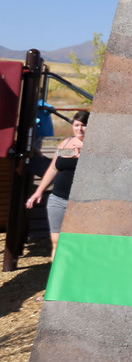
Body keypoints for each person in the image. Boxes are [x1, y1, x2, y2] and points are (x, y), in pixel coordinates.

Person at [26, 109, 88, 256]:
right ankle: (56, 276)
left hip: (82, 202)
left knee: (78, 243)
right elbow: (53, 168)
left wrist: (85, 155)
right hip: (58, 200)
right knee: (57, 242)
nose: (80, 129)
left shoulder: (96, 148)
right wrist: (38, 191)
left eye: (84, 125)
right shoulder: (65, 144)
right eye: (77, 125)